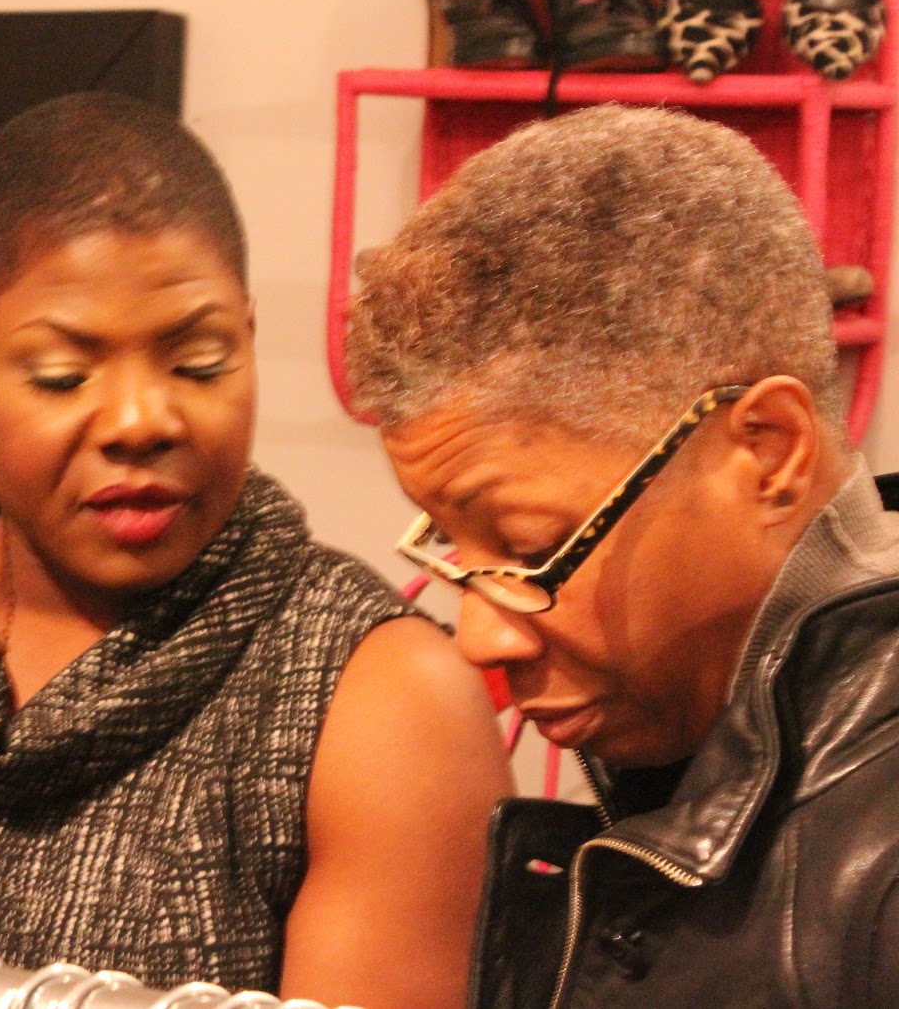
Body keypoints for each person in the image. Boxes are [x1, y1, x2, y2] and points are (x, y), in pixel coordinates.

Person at [0, 91, 511, 1008]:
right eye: (63, 375)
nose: (141, 420)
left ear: (248, 339)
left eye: (199, 363)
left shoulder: (379, 701)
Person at [348, 102, 899, 1009]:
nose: (480, 637)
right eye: (450, 542)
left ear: (767, 450)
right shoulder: (678, 743)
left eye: (533, 546)